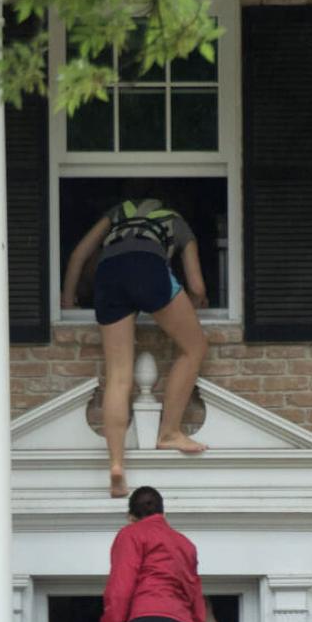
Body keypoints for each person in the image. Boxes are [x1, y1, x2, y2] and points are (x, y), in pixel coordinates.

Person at [62, 187, 210, 498]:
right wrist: (193, 304)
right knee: (194, 348)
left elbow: (79, 254)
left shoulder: (118, 213)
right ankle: (169, 432)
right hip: (148, 269)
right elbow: (196, 285)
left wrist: (67, 301)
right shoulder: (178, 222)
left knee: (118, 375)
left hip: (108, 274)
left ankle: (116, 464)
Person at [100, 486, 207, 622]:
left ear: (131, 517)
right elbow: (196, 597)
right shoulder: (186, 545)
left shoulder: (131, 533)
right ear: (164, 514)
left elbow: (120, 590)